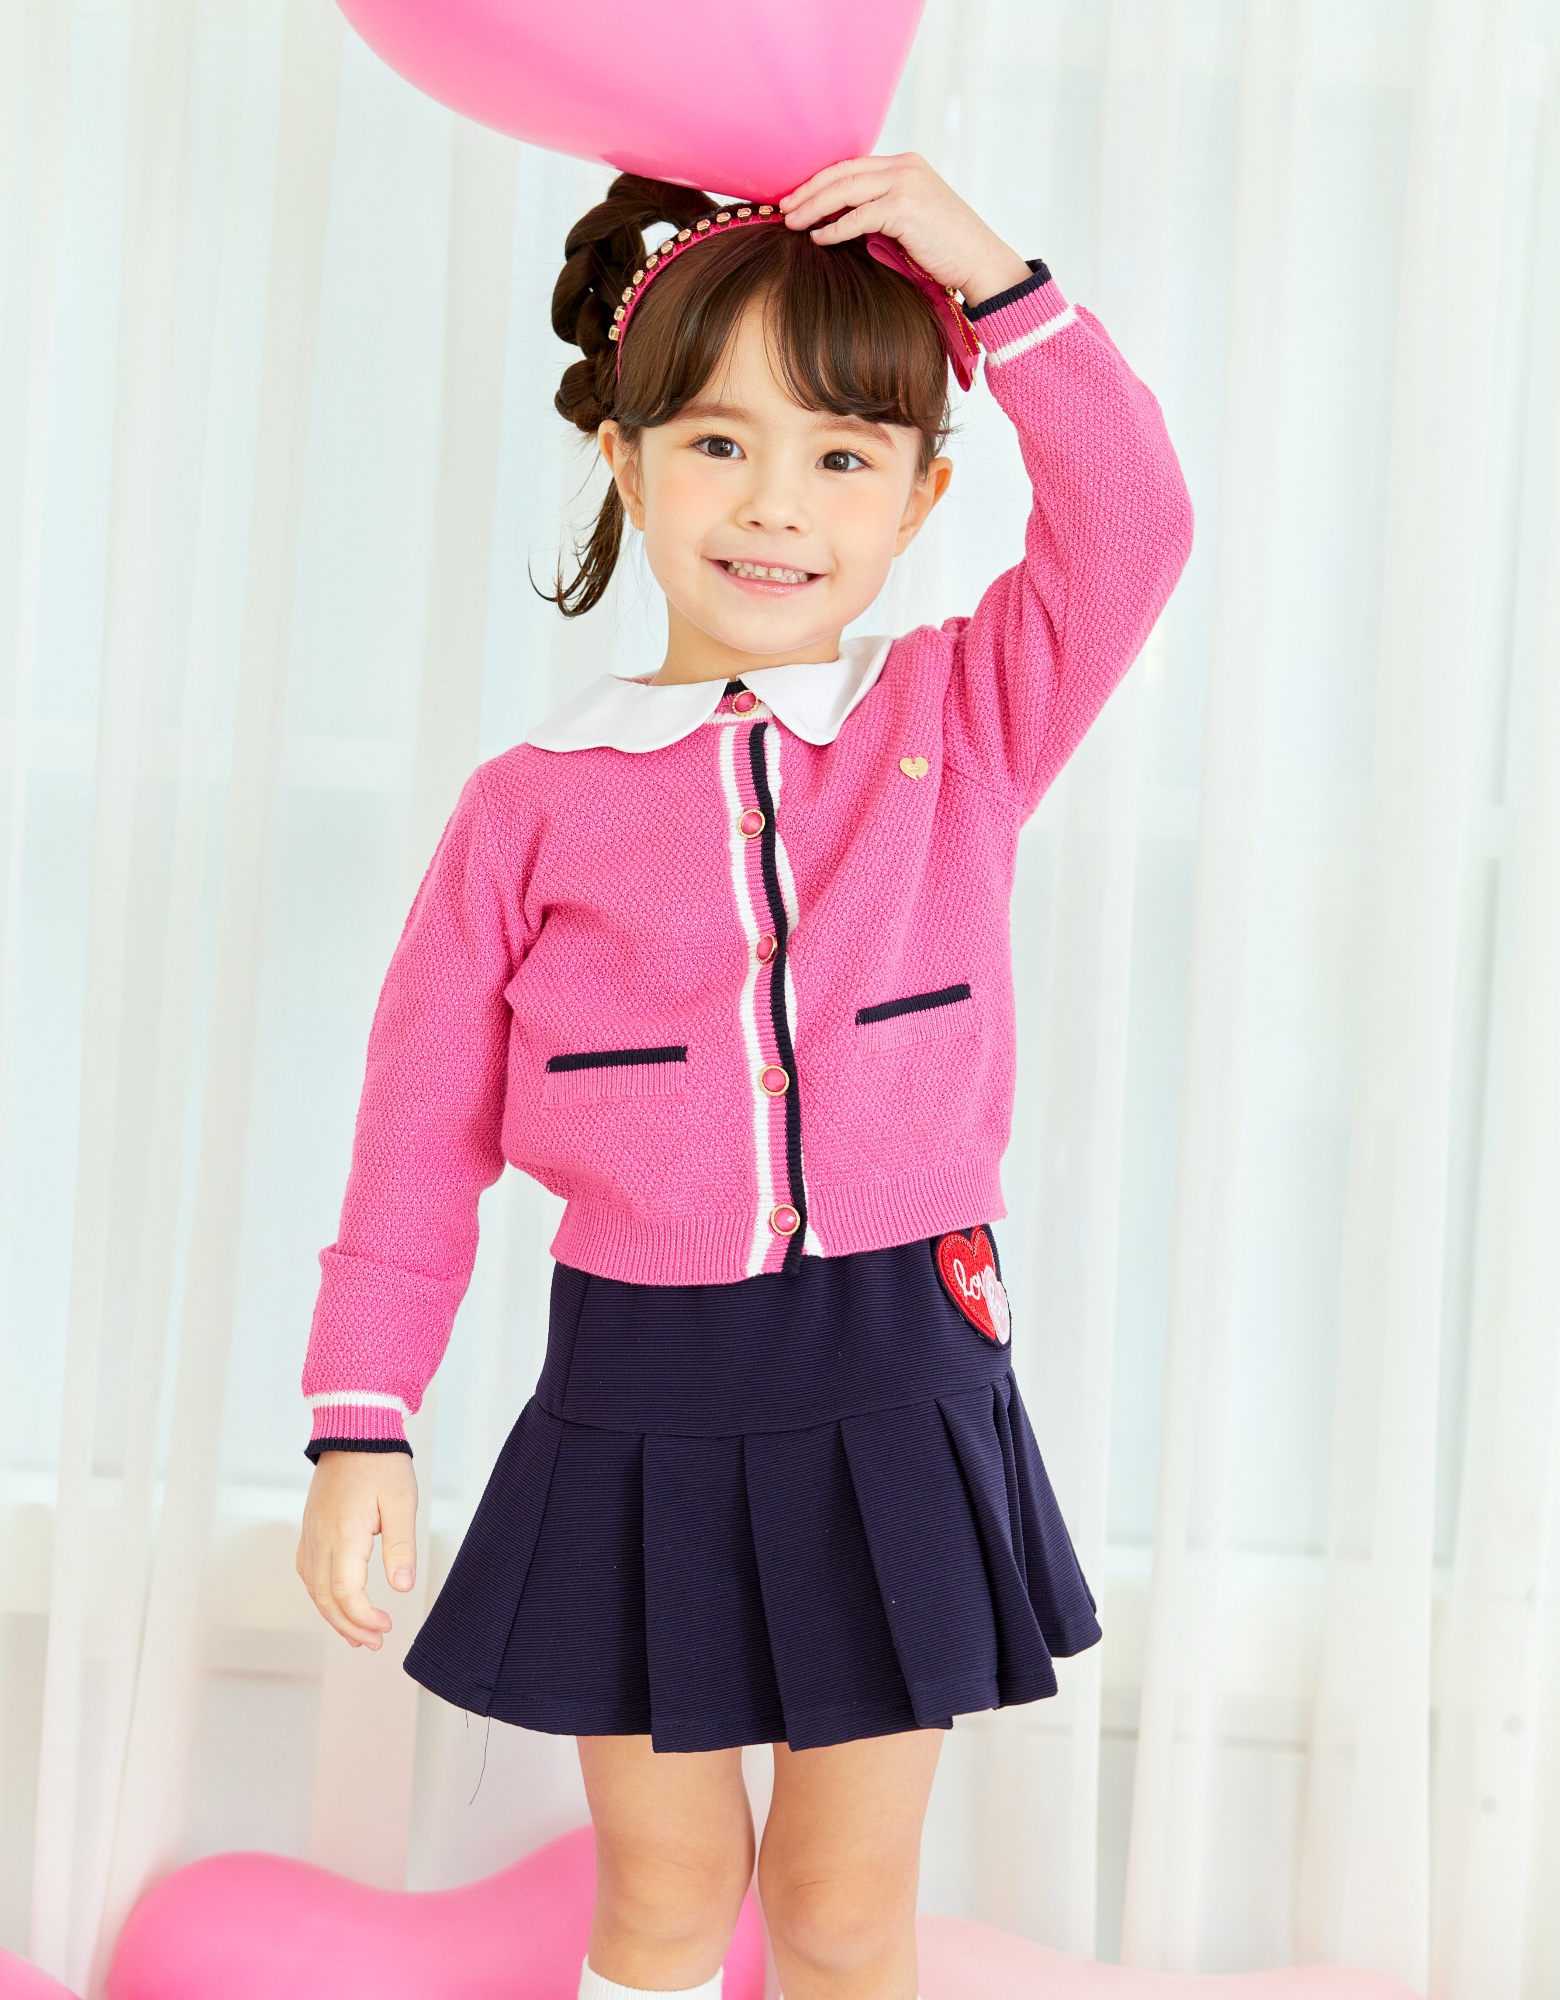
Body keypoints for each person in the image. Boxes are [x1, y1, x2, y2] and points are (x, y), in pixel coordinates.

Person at [294, 151, 1193, 2000]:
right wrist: (362, 1416)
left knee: (846, 1910)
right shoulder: (528, 809)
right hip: (642, 1380)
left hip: (898, 1358)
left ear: (923, 495)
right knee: (663, 1891)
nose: (776, 503)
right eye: (717, 444)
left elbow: (1136, 523)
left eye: (844, 456)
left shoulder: (965, 719)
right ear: (625, 464)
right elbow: (416, 1132)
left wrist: (996, 278)